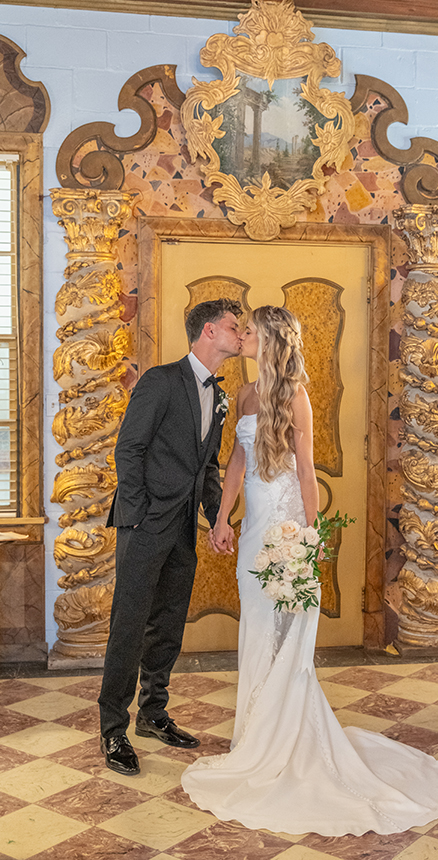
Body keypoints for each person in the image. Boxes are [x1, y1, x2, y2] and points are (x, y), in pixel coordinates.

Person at [180, 305, 438, 836]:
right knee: (257, 631)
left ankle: (284, 741)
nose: (245, 337)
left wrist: (310, 537)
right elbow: (236, 462)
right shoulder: (246, 394)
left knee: (288, 636)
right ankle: (255, 737)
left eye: (252, 331)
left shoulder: (296, 396)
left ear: (273, 340)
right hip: (254, 527)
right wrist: (221, 518)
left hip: (285, 528)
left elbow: (306, 472)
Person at [99, 298, 244, 775]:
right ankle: (113, 728)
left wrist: (216, 518)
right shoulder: (161, 380)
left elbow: (207, 468)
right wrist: (138, 516)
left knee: (169, 622)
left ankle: (153, 713)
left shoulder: (220, 396)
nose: (240, 334)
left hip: (183, 527)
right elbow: (129, 448)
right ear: (208, 331)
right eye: (232, 326)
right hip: (143, 526)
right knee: (130, 622)